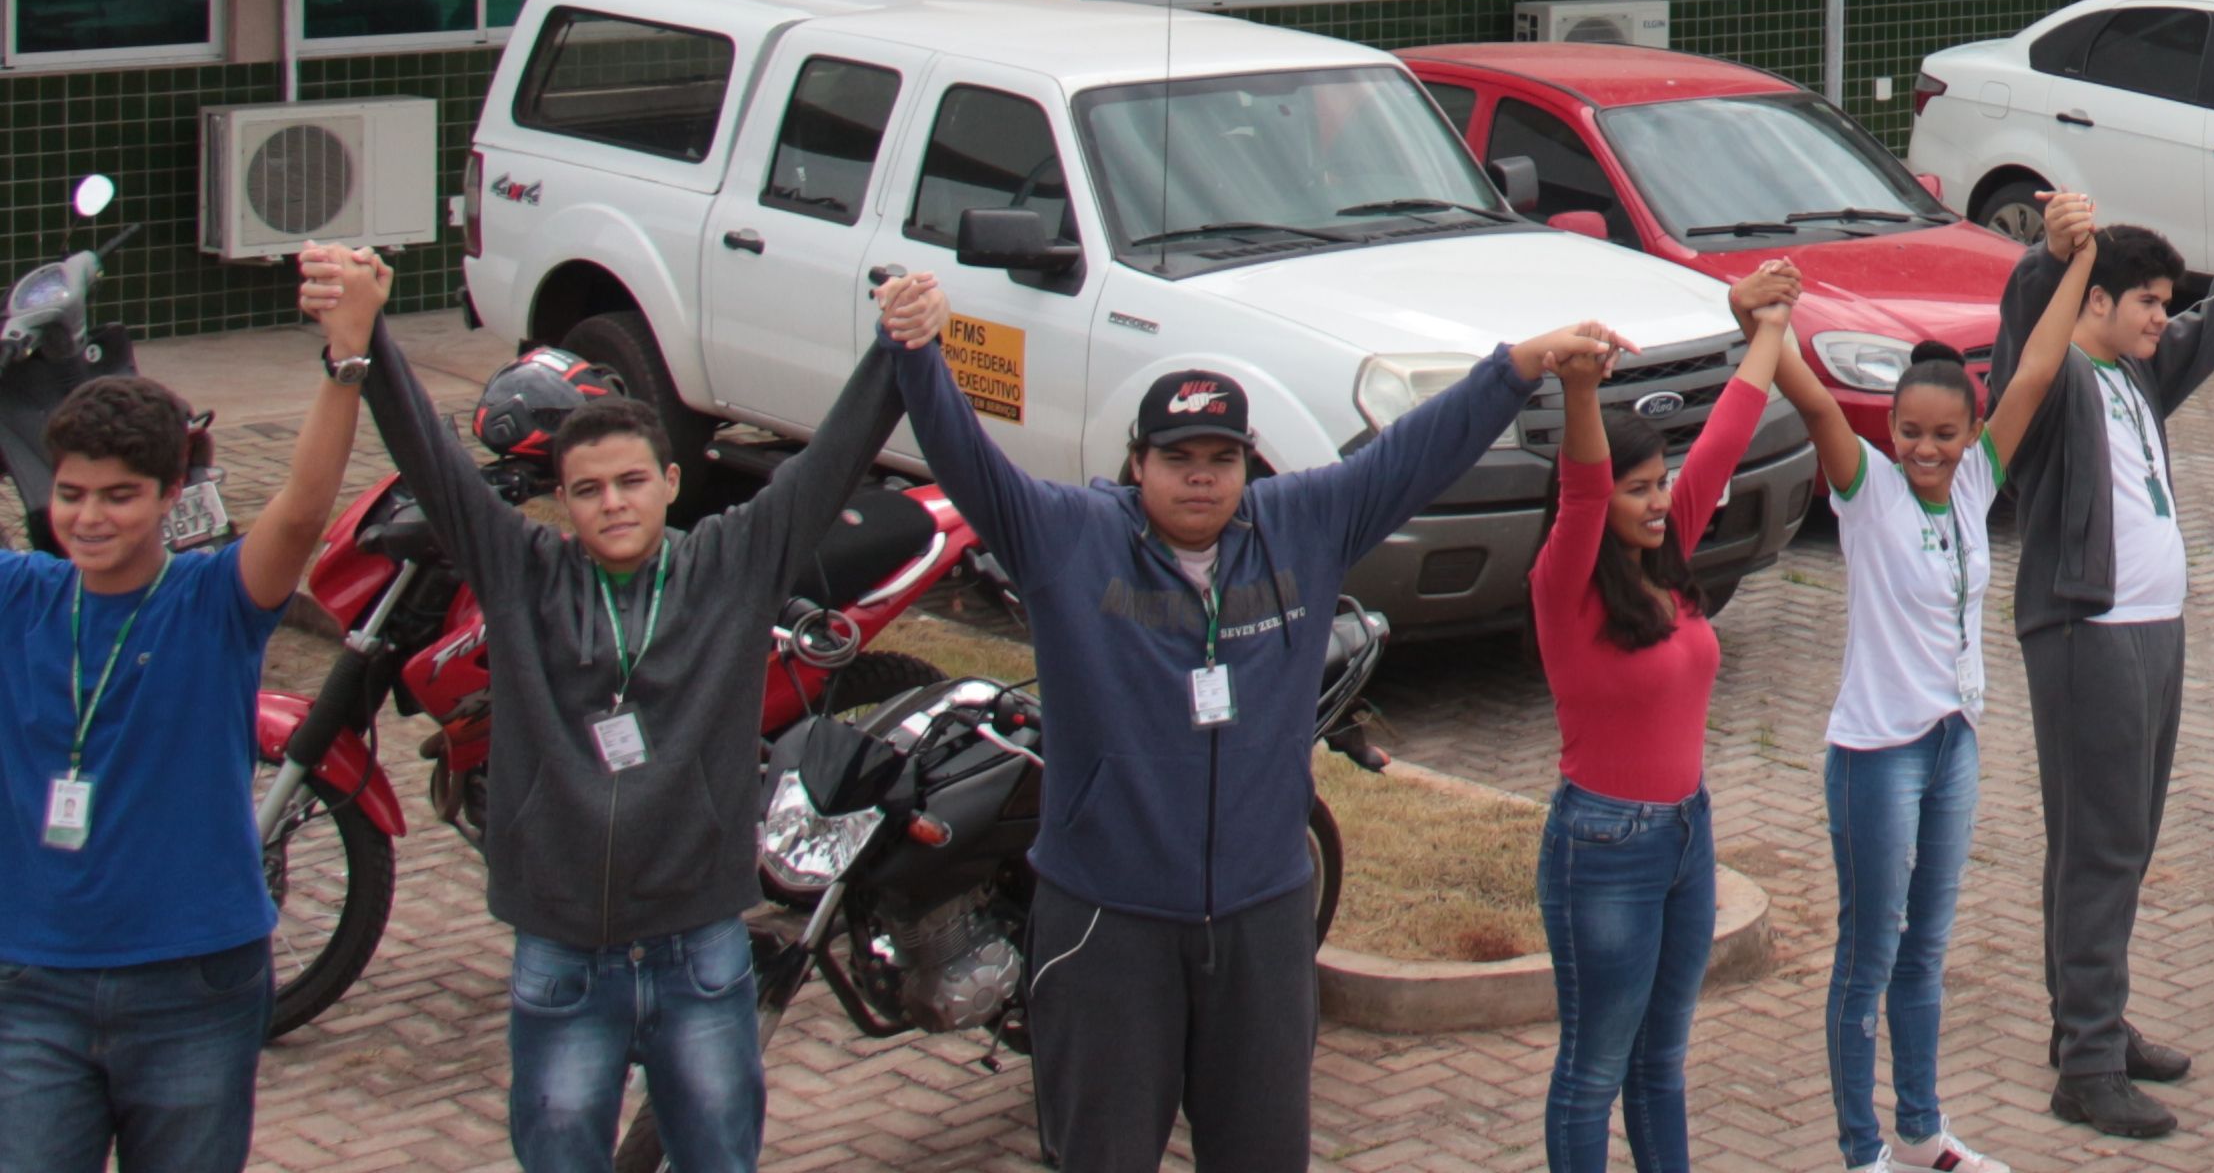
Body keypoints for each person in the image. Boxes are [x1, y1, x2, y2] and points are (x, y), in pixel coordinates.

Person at [890, 288, 1582, 1173]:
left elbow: (1413, 453)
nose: (1201, 477)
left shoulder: (1302, 525)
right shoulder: (1066, 538)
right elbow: (967, 460)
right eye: (1178, 457)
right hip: (1108, 921)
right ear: (1136, 463)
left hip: (1261, 918)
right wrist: (916, 355)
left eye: (1222, 457)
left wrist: (1515, 367)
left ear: (1248, 465)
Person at [361, 266, 925, 1173]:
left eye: (630, 482)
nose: (612, 503)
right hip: (561, 954)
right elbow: (431, 462)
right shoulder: (523, 574)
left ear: (670, 481)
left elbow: (834, 459)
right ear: (563, 501)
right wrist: (366, 337)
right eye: (588, 490)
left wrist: (901, 344)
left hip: (697, 948)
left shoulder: (730, 564)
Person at [1, 247, 389, 1173]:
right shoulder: (19, 598)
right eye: (73, 495)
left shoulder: (214, 603)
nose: (90, 519)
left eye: (121, 497)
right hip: (30, 984)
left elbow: (298, 515)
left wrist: (346, 364)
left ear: (171, 497)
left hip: (194, 985)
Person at [1775, 199, 2093, 1173]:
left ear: (1965, 431)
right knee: (1869, 953)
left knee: (1926, 950)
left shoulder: (1971, 482)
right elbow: (1819, 404)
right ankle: (1859, 1145)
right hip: (1877, 752)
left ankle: (1920, 1130)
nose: (1925, 446)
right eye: (1910, 429)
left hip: (1953, 739)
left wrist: (2078, 255)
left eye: (1943, 431)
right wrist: (1770, 323)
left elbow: (2035, 367)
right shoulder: (1865, 489)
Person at [1986, 192, 2214, 1140]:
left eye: (2163, 300)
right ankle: (2086, 1064)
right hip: (2087, 634)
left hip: (2152, 629)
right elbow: (2027, 323)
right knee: (2100, 847)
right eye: (2144, 300)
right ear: (2095, 303)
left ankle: (2093, 1023)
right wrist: (2050, 256)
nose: (2162, 316)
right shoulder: (2059, 375)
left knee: (2123, 842)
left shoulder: (2136, 374)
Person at [1531, 268, 1791, 1173]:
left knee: (1661, 1064)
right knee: (1593, 1069)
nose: (1653, 501)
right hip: (1603, 846)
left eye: (1658, 484)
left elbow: (1726, 432)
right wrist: (1578, 392)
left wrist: (1767, 324)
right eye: (1635, 489)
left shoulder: (1670, 550)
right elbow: (1582, 488)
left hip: (1688, 835)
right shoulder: (1564, 585)